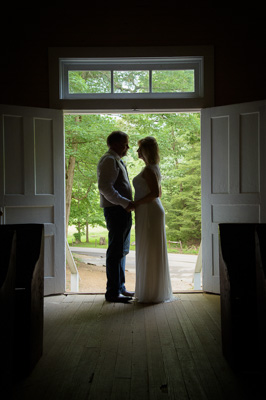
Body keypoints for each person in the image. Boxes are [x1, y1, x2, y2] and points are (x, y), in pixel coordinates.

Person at [133, 136, 175, 303]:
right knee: (149, 248)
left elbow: (155, 194)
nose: (137, 152)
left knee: (151, 249)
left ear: (146, 151)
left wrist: (136, 203)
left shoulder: (150, 169)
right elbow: (159, 193)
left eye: (139, 149)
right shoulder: (152, 168)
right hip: (149, 210)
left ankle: (152, 292)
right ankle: (151, 290)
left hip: (150, 211)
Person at [97, 130, 135, 302]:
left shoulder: (116, 160)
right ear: (116, 144)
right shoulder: (109, 160)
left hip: (121, 211)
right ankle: (112, 293)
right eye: (125, 143)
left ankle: (120, 287)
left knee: (122, 251)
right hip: (116, 211)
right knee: (115, 252)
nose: (127, 147)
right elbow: (105, 187)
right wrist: (125, 203)